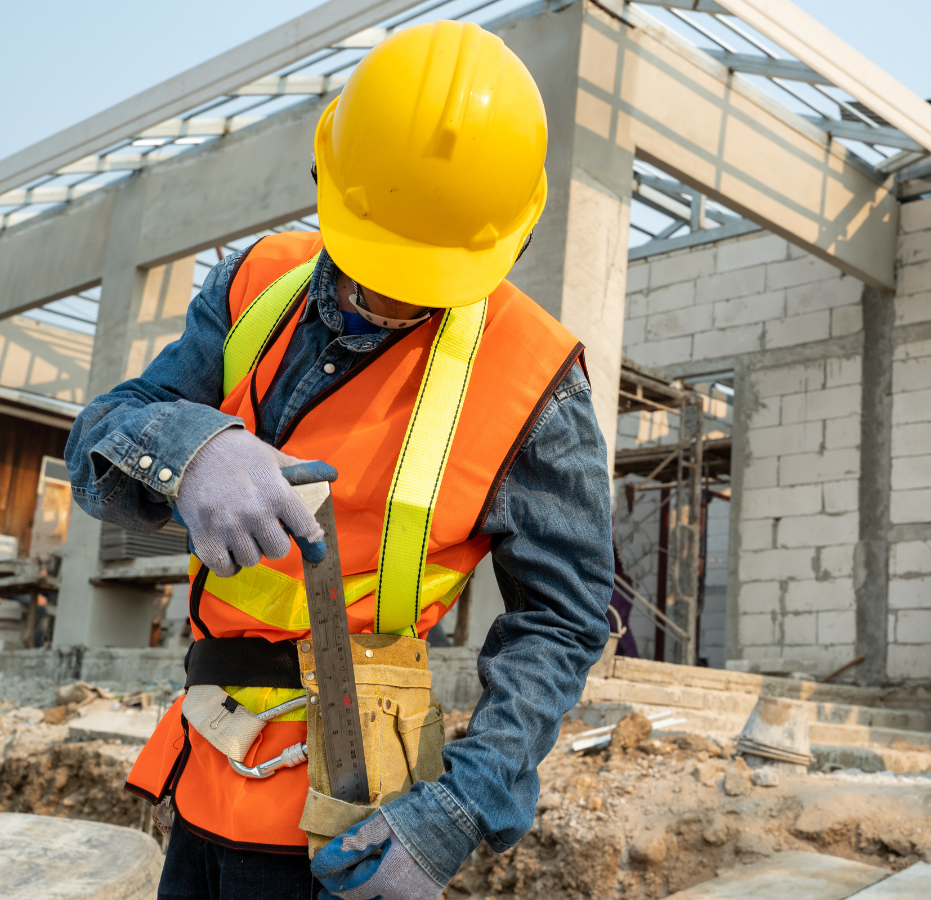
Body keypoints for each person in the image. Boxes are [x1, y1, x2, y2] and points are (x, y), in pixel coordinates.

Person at [65, 21, 613, 900]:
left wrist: (462, 805)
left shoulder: (535, 380)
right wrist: (187, 449)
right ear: (326, 181)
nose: (391, 297)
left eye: (423, 277)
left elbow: (565, 616)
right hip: (207, 764)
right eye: (374, 263)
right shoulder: (254, 284)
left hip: (352, 817)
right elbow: (100, 432)